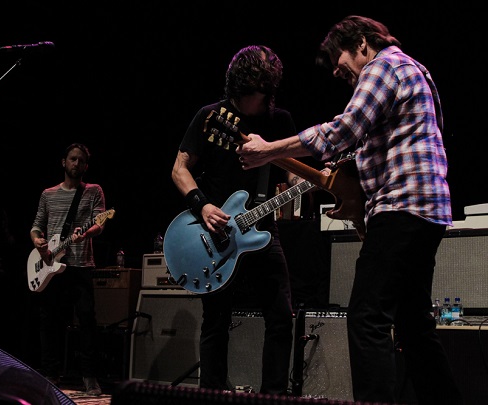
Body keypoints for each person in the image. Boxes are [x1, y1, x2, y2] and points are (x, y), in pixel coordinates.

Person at [237, 16, 462, 404]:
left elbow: (343, 130)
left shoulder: (383, 65)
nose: (339, 73)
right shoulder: (412, 71)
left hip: (401, 206)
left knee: (367, 316)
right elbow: (377, 146)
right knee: (413, 325)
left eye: (340, 62)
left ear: (361, 43)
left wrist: (269, 150)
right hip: (427, 209)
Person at [171, 45, 302, 395]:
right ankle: (212, 393)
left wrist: (306, 182)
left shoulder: (280, 121)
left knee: (281, 317)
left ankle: (273, 396)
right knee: (216, 321)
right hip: (213, 232)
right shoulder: (211, 116)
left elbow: (292, 176)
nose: (247, 104)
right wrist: (202, 206)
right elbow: (179, 169)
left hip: (263, 229)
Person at [30, 143, 105, 396]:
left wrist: (86, 233)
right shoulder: (48, 194)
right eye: (72, 159)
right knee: (49, 320)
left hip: (81, 264)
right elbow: (37, 225)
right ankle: (50, 373)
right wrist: (37, 242)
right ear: (64, 162)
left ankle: (89, 377)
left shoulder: (93, 191)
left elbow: (100, 222)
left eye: (81, 161)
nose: (76, 164)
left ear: (86, 165)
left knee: (86, 320)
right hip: (51, 266)